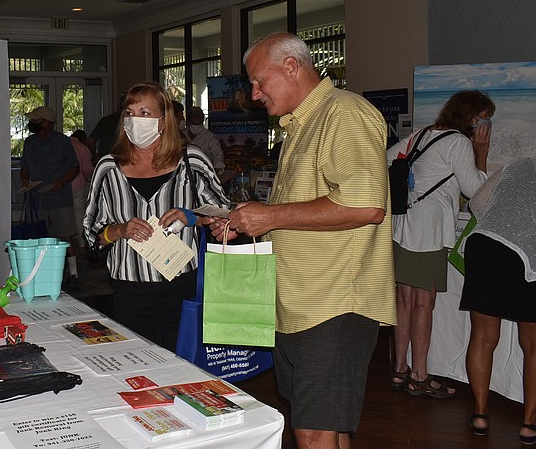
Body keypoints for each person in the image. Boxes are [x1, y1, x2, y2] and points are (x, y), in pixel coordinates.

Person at [207, 32, 396, 449]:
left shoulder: (343, 114)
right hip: (301, 303)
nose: (254, 94)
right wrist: (247, 221)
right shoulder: (300, 125)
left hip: (333, 304)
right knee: (330, 427)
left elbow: (366, 206)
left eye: (259, 81)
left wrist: (270, 215)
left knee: (312, 432)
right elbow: (306, 210)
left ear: (292, 67)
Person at [83, 81, 229, 351]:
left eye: (145, 113)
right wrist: (119, 230)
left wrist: (192, 217)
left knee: (182, 360)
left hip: (181, 284)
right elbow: (91, 232)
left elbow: (224, 215)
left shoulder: (191, 161)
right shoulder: (107, 167)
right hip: (130, 285)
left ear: (164, 121)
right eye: (129, 113)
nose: (135, 120)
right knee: (137, 360)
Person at [386, 90, 493, 399]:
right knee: (423, 303)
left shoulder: (422, 133)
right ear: (473, 118)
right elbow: (476, 191)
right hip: (429, 231)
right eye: (486, 118)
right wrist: (481, 152)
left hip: (404, 224)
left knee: (404, 300)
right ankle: (419, 376)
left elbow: (385, 158)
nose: (488, 124)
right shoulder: (459, 142)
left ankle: (400, 369)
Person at [458, 157, 536, 442]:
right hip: (530, 254)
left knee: (482, 337)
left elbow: (476, 203)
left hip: (487, 245)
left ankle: (480, 415)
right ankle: (529, 423)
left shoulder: (518, 164)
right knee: (533, 345)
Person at [20, 106, 80, 289]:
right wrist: (24, 180)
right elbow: (25, 165)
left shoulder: (62, 142)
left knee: (65, 235)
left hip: (59, 197)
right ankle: (44, 273)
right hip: (38, 198)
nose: (32, 124)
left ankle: (74, 274)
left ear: (47, 122)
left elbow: (74, 168)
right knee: (40, 236)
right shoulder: (29, 143)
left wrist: (60, 183)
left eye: (36, 121)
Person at [182, 106, 227, 178]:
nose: (196, 126)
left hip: (203, 174)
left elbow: (218, 153)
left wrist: (216, 170)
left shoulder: (209, 136)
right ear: (189, 121)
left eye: (198, 124)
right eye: (194, 123)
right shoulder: (182, 134)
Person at [70, 129, 94, 256]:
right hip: (77, 184)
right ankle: (82, 244)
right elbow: (87, 169)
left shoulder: (64, 144)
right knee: (79, 214)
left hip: (60, 186)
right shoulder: (82, 148)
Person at [88, 93, 126, 162]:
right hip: (124, 160)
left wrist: (94, 156)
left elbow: (91, 141)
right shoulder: (130, 122)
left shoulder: (105, 120)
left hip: (104, 160)